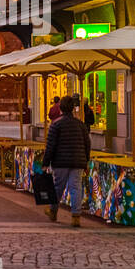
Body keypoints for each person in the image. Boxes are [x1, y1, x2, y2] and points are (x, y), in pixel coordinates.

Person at [42, 93, 91, 229]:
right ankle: (76, 217)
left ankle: (53, 211)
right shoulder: (81, 125)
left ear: (61, 109)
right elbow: (87, 144)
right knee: (75, 188)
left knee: (58, 187)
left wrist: (45, 163)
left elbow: (50, 146)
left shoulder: (56, 125)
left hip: (60, 162)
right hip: (78, 162)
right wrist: (86, 160)